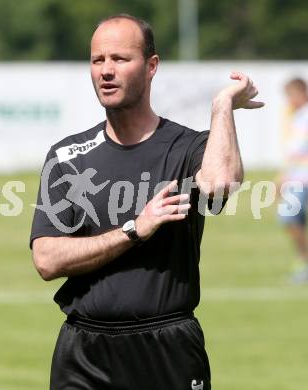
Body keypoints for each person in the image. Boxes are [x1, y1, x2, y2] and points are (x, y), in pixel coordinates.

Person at [30, 14, 264, 390]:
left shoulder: (187, 147)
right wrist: (133, 230)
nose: (106, 70)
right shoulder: (67, 157)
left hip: (167, 346)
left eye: (120, 59)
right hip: (84, 353)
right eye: (98, 60)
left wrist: (222, 107)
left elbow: (221, 183)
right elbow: (46, 260)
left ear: (151, 66)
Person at [277, 78, 308, 283]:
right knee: (292, 220)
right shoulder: (296, 117)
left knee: (289, 218)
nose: (289, 100)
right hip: (296, 178)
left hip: (303, 178)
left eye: (292, 95)